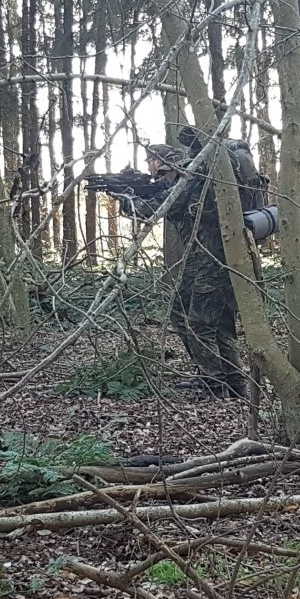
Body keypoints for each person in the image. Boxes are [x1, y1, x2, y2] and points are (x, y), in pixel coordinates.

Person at [112, 131, 261, 399]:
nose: (152, 170)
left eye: (153, 163)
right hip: (204, 260)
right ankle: (231, 382)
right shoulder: (189, 181)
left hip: (214, 261)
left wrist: (125, 198)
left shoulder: (189, 182)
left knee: (200, 323)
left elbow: (151, 209)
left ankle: (217, 384)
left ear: (163, 163)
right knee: (187, 314)